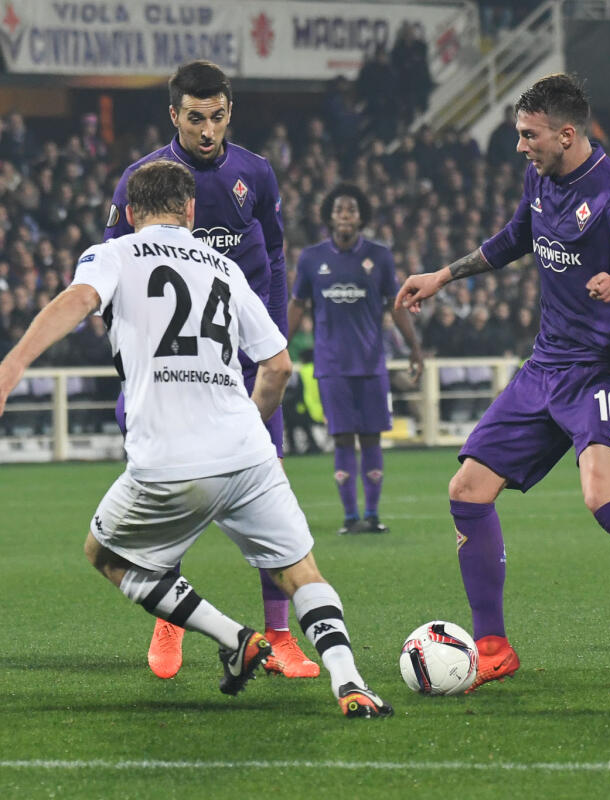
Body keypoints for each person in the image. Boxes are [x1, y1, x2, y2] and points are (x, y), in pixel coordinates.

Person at [0, 161, 391, 718]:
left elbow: (77, 301)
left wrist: (11, 368)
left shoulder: (112, 254)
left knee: (106, 554)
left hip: (168, 460)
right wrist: (248, 430)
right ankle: (351, 683)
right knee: (301, 571)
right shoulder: (226, 268)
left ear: (131, 214)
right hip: (247, 452)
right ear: (190, 211)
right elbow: (277, 367)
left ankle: (233, 637)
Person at [395, 73, 610, 696]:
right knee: (467, 489)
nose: (521, 146)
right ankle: (491, 648)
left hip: (603, 366)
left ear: (567, 133)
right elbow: (518, 236)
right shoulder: (540, 179)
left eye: (529, 135)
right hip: (546, 366)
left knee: (604, 498)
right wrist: (443, 275)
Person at [104, 60, 317, 681]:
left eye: (217, 116)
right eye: (195, 118)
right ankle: (169, 617)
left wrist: (269, 342)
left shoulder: (255, 173)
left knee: (269, 484)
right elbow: (116, 274)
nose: (207, 129)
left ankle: (280, 635)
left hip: (242, 351)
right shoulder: (139, 181)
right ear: (174, 115)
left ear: (230, 113)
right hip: (175, 360)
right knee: (169, 481)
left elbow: (274, 256)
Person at [288, 183, 424, 534]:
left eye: (351, 210)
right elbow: (298, 305)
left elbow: (395, 306)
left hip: (370, 363)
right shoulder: (311, 258)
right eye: (339, 210)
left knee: (373, 438)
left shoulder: (379, 256)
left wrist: (414, 347)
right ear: (329, 217)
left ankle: (373, 514)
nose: (345, 215)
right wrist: (278, 347)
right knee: (343, 439)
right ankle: (350, 517)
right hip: (332, 365)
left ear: (361, 216)